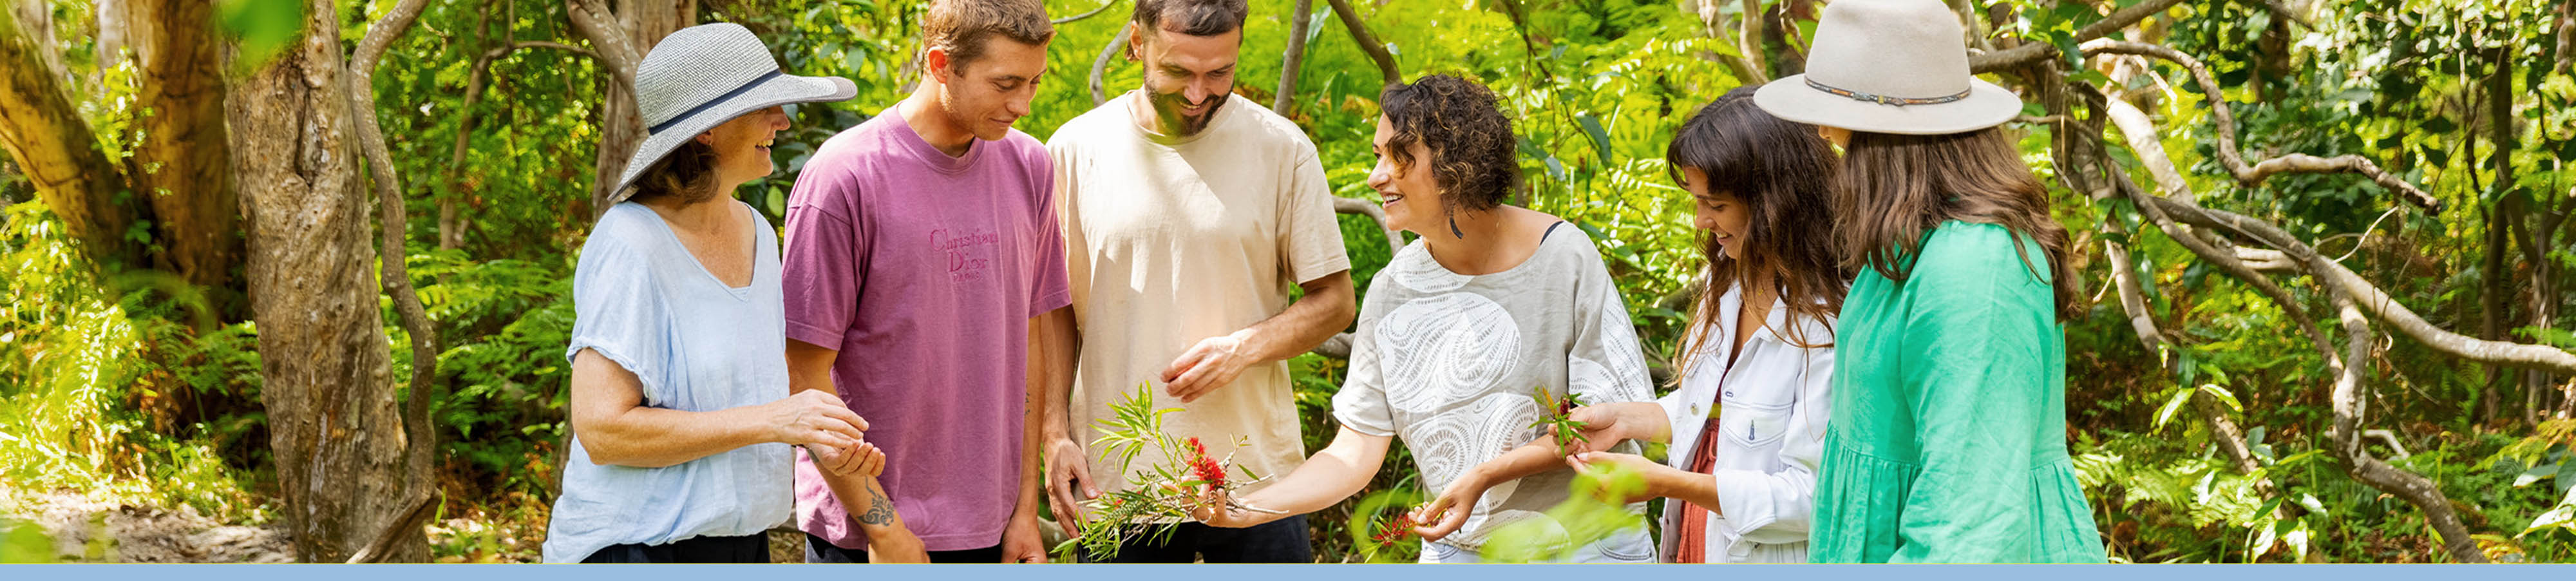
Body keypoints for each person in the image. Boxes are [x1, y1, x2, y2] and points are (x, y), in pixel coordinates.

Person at [1195, 75, 1656, 564]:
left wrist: (1485, 474)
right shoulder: (1392, 291)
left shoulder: (1564, 258)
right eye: (1378, 155)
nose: (1376, 177)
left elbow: (1602, 423)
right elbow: (1353, 454)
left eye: (1398, 157)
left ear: (1459, 164)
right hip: (1459, 552)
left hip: (1588, 548)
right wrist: (1247, 508)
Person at [1747, 0, 2107, 563]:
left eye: (1839, 126)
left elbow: (1969, 523)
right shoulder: (1905, 248)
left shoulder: (1977, 267)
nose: (1822, 133)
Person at [543, 23, 872, 564]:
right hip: (635, 550)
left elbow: (752, 393)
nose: (782, 121)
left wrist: (822, 433)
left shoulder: (758, 233)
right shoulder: (631, 243)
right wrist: (773, 420)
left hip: (742, 545)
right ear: (707, 131)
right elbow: (603, 430)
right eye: (765, 107)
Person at [1041, 0, 1354, 563]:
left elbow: (1335, 303)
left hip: (1258, 480)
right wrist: (1055, 433)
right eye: (1179, 72)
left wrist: (1245, 347)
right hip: (1119, 486)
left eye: (1219, 74)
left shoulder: (1283, 150)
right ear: (1136, 43)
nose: (1196, 93)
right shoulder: (1072, 151)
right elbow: (1053, 312)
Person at [1502, 87, 1844, 563]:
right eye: (1697, 201)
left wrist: (1665, 482)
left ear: (1776, 201)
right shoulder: (1728, 284)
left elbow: (1815, 498)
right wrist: (1625, 419)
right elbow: (1720, 408)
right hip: (1697, 545)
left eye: (1717, 205)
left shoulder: (1827, 324)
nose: (1703, 221)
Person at [780, 0, 1066, 564]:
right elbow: (804, 373)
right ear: (940, 65)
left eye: (1035, 82)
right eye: (1006, 83)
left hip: (994, 530)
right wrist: (885, 528)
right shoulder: (844, 176)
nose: (1023, 104)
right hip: (871, 535)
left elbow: (1029, 342)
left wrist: (1023, 510)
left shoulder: (1030, 166)